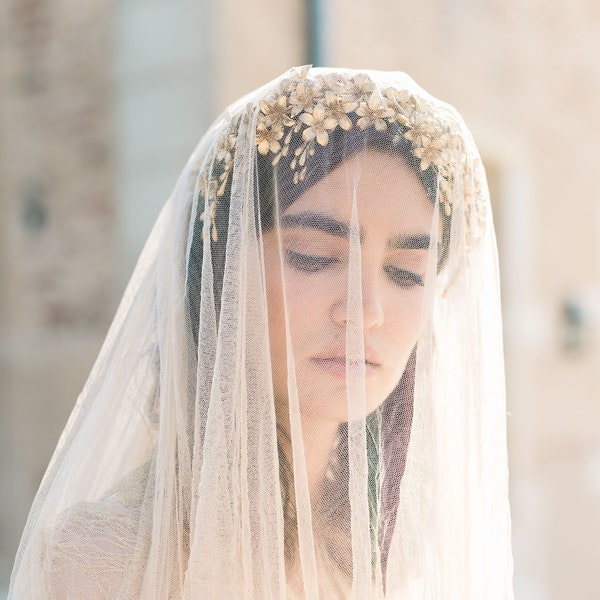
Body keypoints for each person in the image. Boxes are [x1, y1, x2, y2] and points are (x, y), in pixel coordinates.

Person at [9, 66, 513, 598]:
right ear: (224, 274)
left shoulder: (403, 561)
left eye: (407, 272)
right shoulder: (106, 563)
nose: (366, 313)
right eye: (314, 256)